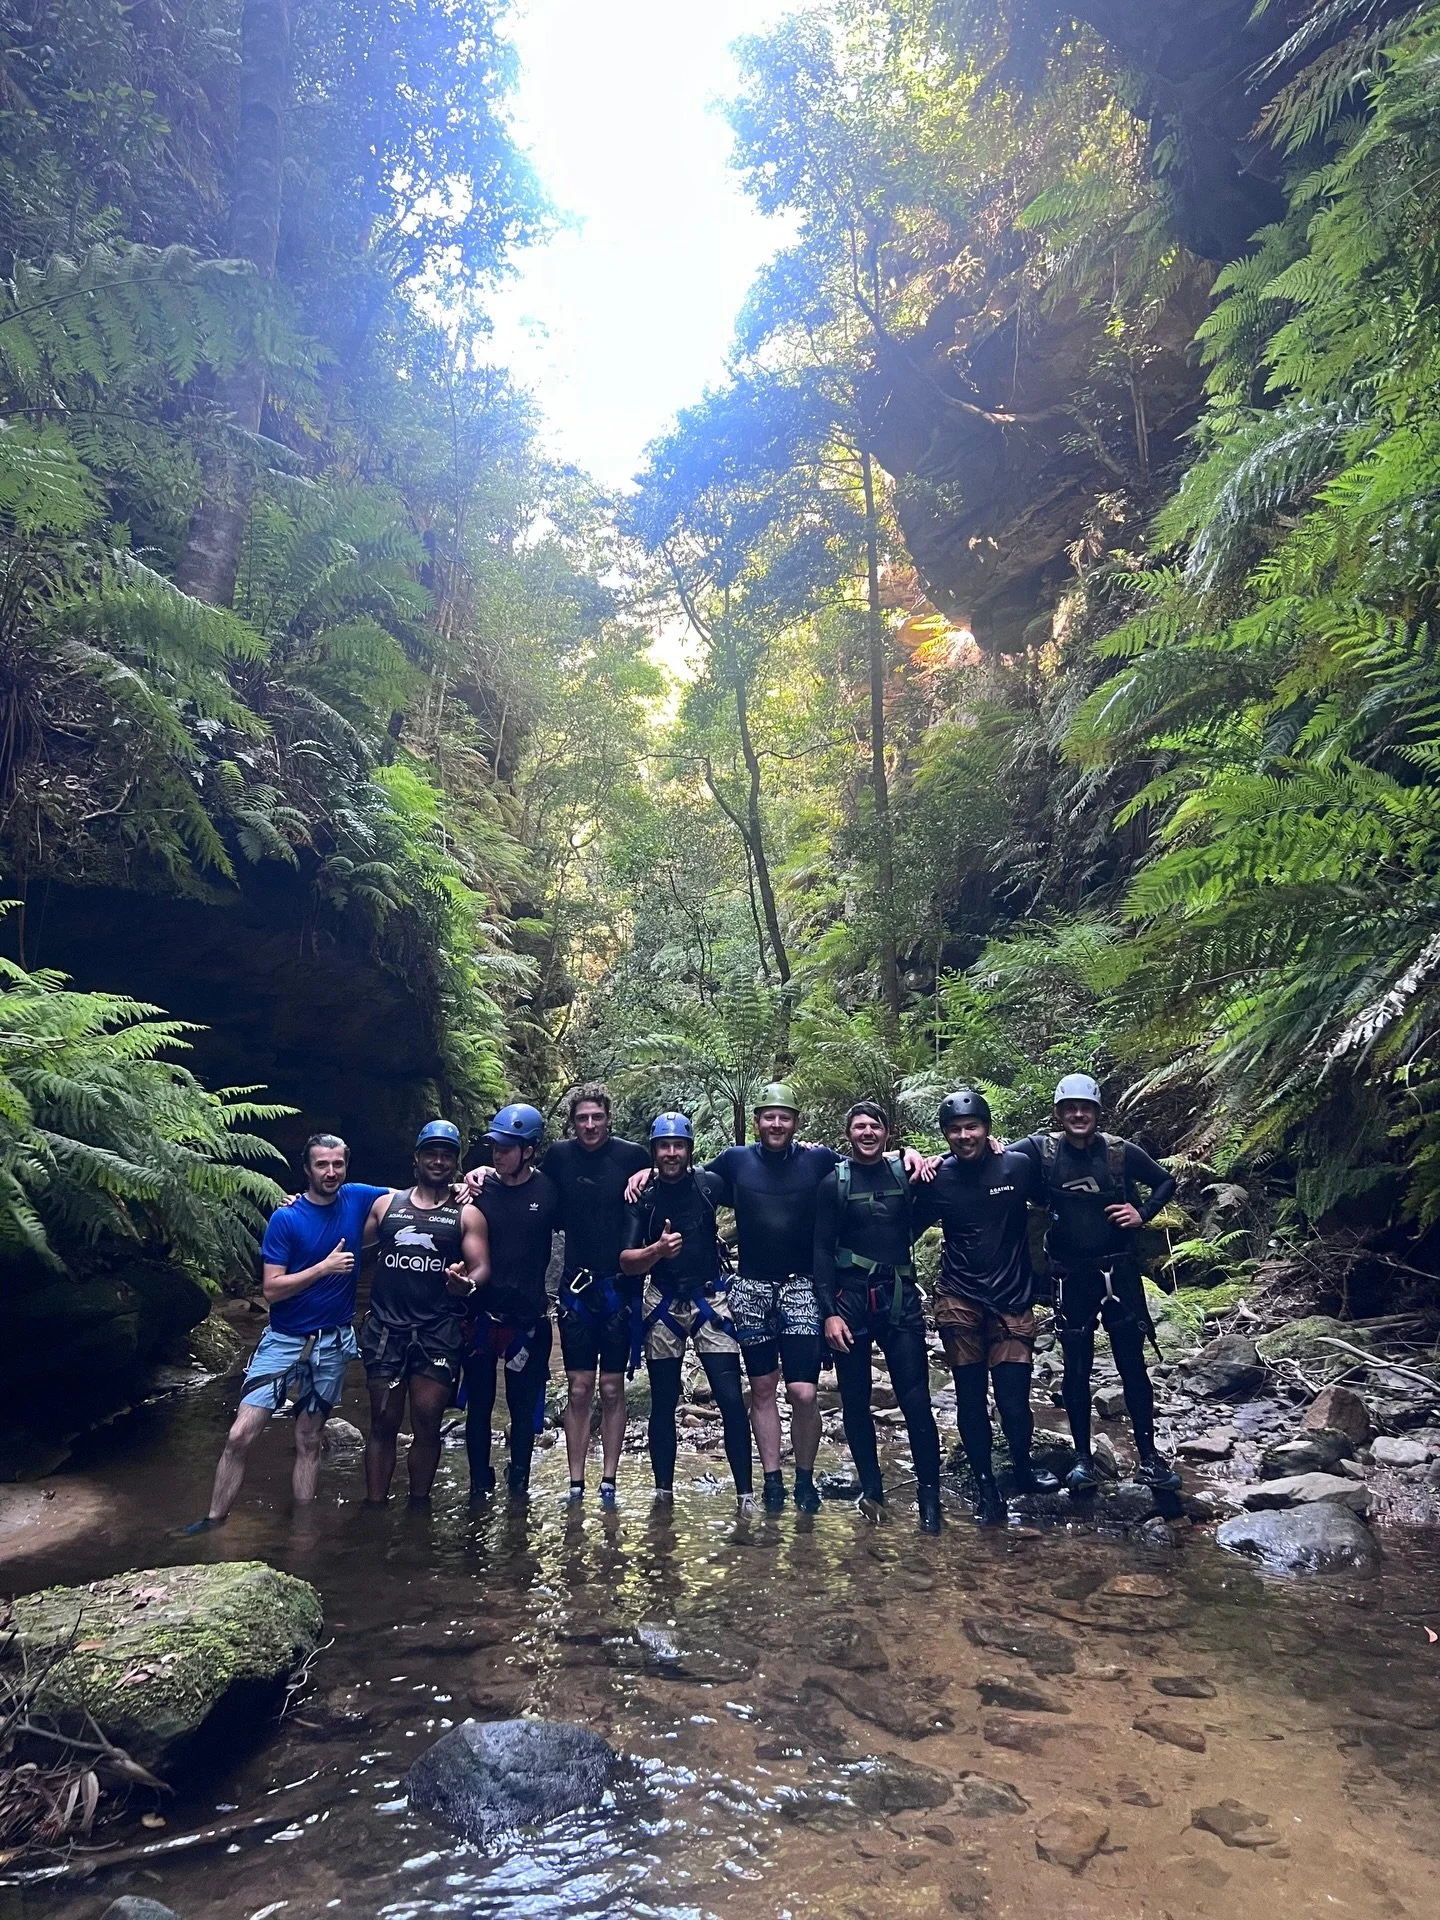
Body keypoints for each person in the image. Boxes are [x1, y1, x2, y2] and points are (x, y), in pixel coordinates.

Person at [185, 1133, 387, 1531]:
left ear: (346, 1165)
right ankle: (212, 1520)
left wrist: (465, 1184)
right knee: (240, 1435)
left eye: (337, 1164)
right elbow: (272, 1290)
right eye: (321, 1165)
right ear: (307, 1169)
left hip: (331, 1344)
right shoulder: (287, 1218)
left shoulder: (359, 1197)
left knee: (310, 1439)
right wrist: (323, 1269)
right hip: (284, 1341)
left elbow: (416, 1196)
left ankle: (302, 1531)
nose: (330, 1172)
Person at [1009, 1073, 1181, 1495]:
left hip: (1119, 1272)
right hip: (1071, 1276)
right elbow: (995, 1161)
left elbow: (1166, 1180)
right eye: (1070, 1108)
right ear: (1059, 1113)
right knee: (1076, 1369)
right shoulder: (1041, 1151)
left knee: (1132, 1366)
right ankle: (1083, 1459)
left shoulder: (1121, 1154)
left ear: (1098, 1113)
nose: (1078, 1114)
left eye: (1085, 1108)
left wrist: (1144, 1213)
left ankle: (1150, 1459)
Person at [912, 1089, 1058, 1526]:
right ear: (945, 1134)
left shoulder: (1016, 1166)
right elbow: (899, 1225)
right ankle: (985, 1485)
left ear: (987, 1128)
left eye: (971, 1126)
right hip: (959, 1299)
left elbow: (1061, 1197)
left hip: (1012, 1299)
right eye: (954, 1130)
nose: (964, 1135)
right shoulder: (938, 1179)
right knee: (970, 1398)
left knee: (1013, 1400)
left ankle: (1023, 1467)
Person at [814, 1102, 944, 1534]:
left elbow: (960, 1166)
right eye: (859, 1127)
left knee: (916, 1399)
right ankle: (871, 1489)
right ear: (848, 1134)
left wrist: (995, 1144)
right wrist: (828, 1315)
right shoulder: (834, 1182)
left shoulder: (906, 1176)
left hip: (900, 1299)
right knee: (855, 1399)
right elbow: (821, 1252)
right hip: (850, 1300)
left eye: (875, 1126)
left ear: (887, 1133)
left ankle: (930, 1496)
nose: (867, 1133)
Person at [619, 1112, 754, 1511]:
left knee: (730, 1397)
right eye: (664, 1146)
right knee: (663, 1400)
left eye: (678, 1146)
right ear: (654, 1151)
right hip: (662, 1302)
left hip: (710, 1300)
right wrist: (656, 1251)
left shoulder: (710, 1186)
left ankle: (746, 1494)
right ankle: (663, 1493)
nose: (672, 1153)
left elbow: (763, 1184)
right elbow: (626, 1261)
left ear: (690, 1150)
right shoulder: (642, 1198)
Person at [358, 1120, 489, 1507]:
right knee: (382, 1421)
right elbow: (345, 1240)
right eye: (431, 1153)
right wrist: (299, 1204)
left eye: (446, 1155)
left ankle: (418, 1505)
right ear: (416, 1158)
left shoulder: (466, 1213)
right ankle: (375, 1506)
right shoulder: (387, 1205)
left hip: (437, 1328)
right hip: (386, 1327)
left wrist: (467, 1284)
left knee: (428, 1420)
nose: (438, 1161)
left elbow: (481, 1265)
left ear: (455, 1162)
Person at [541, 1086, 648, 1505]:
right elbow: (527, 1188)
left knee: (612, 1387)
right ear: (573, 1121)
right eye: (582, 1118)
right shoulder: (559, 1157)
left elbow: (673, 1170)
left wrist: (650, 1173)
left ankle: (609, 1480)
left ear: (608, 1118)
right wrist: (481, 1175)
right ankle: (575, 1481)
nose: (589, 1125)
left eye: (596, 1118)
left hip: (619, 1287)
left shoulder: (631, 1156)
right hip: (577, 1286)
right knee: (579, 1386)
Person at [452, 1103, 560, 1505]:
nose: (496, 1154)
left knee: (521, 1409)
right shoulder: (479, 1190)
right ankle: (479, 1483)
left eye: (506, 1147)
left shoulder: (549, 1192)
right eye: (494, 1146)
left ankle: (519, 1484)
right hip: (482, 1316)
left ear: (528, 1150)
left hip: (528, 1319)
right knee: (478, 1407)